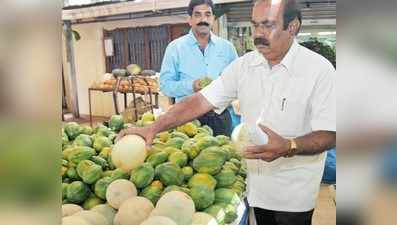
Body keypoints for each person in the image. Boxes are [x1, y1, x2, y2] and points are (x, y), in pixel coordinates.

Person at [118, 0, 336, 224]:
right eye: (255, 25)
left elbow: (331, 133)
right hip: (256, 189)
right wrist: (153, 128)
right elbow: (199, 101)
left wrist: (289, 146)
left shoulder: (319, 71)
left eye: (268, 25)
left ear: (293, 27)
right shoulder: (244, 66)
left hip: (294, 195)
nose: (258, 34)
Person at [159, 0, 238, 136]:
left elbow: (238, 80)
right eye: (198, 15)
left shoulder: (227, 48)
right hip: (187, 120)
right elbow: (165, 85)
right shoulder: (175, 48)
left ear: (213, 19)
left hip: (221, 117)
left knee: (224, 154)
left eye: (208, 15)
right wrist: (191, 86)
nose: (203, 19)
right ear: (189, 20)